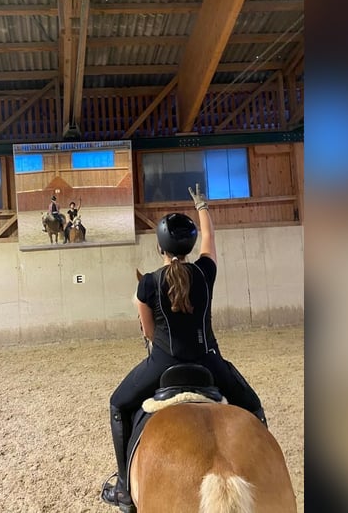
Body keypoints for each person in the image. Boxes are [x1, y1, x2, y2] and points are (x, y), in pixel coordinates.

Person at [100, 183, 267, 510]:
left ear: (160, 247)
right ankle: (261, 473)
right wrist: (202, 206)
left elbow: (148, 333)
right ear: (189, 246)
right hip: (210, 363)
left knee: (118, 405)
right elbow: (211, 240)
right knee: (254, 407)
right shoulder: (205, 273)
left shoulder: (148, 282)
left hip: (163, 365)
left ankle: (123, 487)